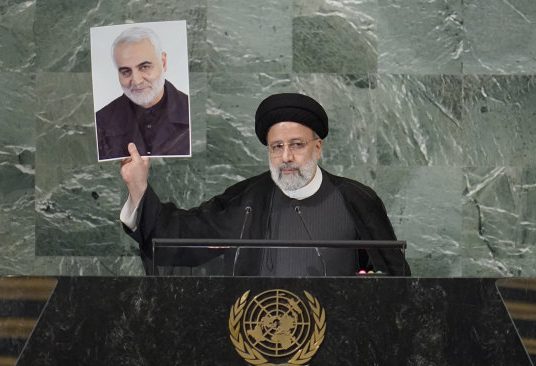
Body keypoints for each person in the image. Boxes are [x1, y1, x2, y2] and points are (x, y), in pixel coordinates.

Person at [120, 93, 411, 276]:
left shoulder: (355, 199)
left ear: (318, 147)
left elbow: (392, 278)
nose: (286, 157)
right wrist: (138, 186)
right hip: (254, 343)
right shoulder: (246, 200)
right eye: (277, 147)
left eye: (296, 145)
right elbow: (181, 237)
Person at [95, 26, 190, 160]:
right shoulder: (100, 123)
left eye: (145, 67)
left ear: (163, 63)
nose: (137, 81)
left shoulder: (194, 113)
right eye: (126, 71)